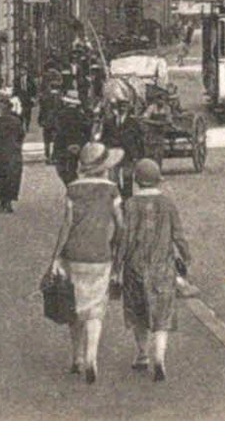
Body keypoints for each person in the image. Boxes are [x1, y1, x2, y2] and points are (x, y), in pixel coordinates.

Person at [48, 142, 125, 383]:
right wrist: (115, 245)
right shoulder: (112, 190)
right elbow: (121, 226)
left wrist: (56, 256)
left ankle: (77, 358)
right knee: (95, 309)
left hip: (74, 254)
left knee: (75, 307)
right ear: (105, 167)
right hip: (100, 255)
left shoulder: (72, 189)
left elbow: (66, 225)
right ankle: (91, 357)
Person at [120, 158, 191, 383]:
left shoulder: (130, 205)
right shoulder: (167, 204)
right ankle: (159, 357)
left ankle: (142, 355)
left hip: (135, 266)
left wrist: (116, 265)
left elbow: (124, 239)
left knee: (138, 312)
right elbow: (178, 235)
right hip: (163, 267)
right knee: (162, 314)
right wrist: (186, 257)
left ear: (137, 181)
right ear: (157, 180)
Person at [0, 96, 25, 213]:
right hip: (13, 152)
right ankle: (8, 202)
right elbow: (21, 136)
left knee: (0, 176)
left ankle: (3, 200)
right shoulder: (16, 122)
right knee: (12, 177)